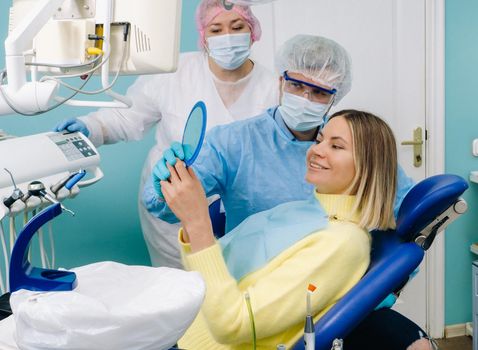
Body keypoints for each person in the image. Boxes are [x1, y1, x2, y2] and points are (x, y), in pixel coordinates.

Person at [145, 34, 431, 350]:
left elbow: (406, 221)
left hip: (270, 306)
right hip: (230, 295)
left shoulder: (341, 238)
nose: (305, 98)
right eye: (296, 85)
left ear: (334, 97)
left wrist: (380, 285)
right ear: (281, 82)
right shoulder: (238, 144)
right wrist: (166, 185)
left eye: (319, 92)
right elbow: (166, 205)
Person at [54, 0, 279, 268]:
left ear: (253, 31)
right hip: (172, 203)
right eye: (215, 29)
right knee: (178, 287)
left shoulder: (273, 87)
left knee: (234, 285)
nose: (227, 37)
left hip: (242, 211)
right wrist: (92, 127)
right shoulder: (175, 73)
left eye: (237, 26)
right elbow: (128, 115)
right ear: (203, 37)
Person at [160, 110, 402, 349]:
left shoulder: (342, 243)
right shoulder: (302, 211)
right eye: (320, 140)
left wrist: (197, 221)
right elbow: (214, 266)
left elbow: (234, 324)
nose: (316, 150)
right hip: (184, 326)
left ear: (368, 166)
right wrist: (189, 213)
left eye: (336, 147)